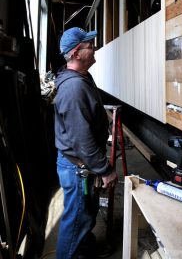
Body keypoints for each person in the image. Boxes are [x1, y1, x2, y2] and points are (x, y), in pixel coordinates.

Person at [54, 27, 118, 259]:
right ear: (76, 53)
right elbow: (82, 140)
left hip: (80, 164)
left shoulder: (83, 78)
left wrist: (106, 123)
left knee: (86, 214)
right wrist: (105, 169)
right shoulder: (74, 87)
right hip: (77, 166)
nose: (94, 48)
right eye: (90, 46)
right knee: (77, 220)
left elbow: (89, 114)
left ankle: (86, 252)